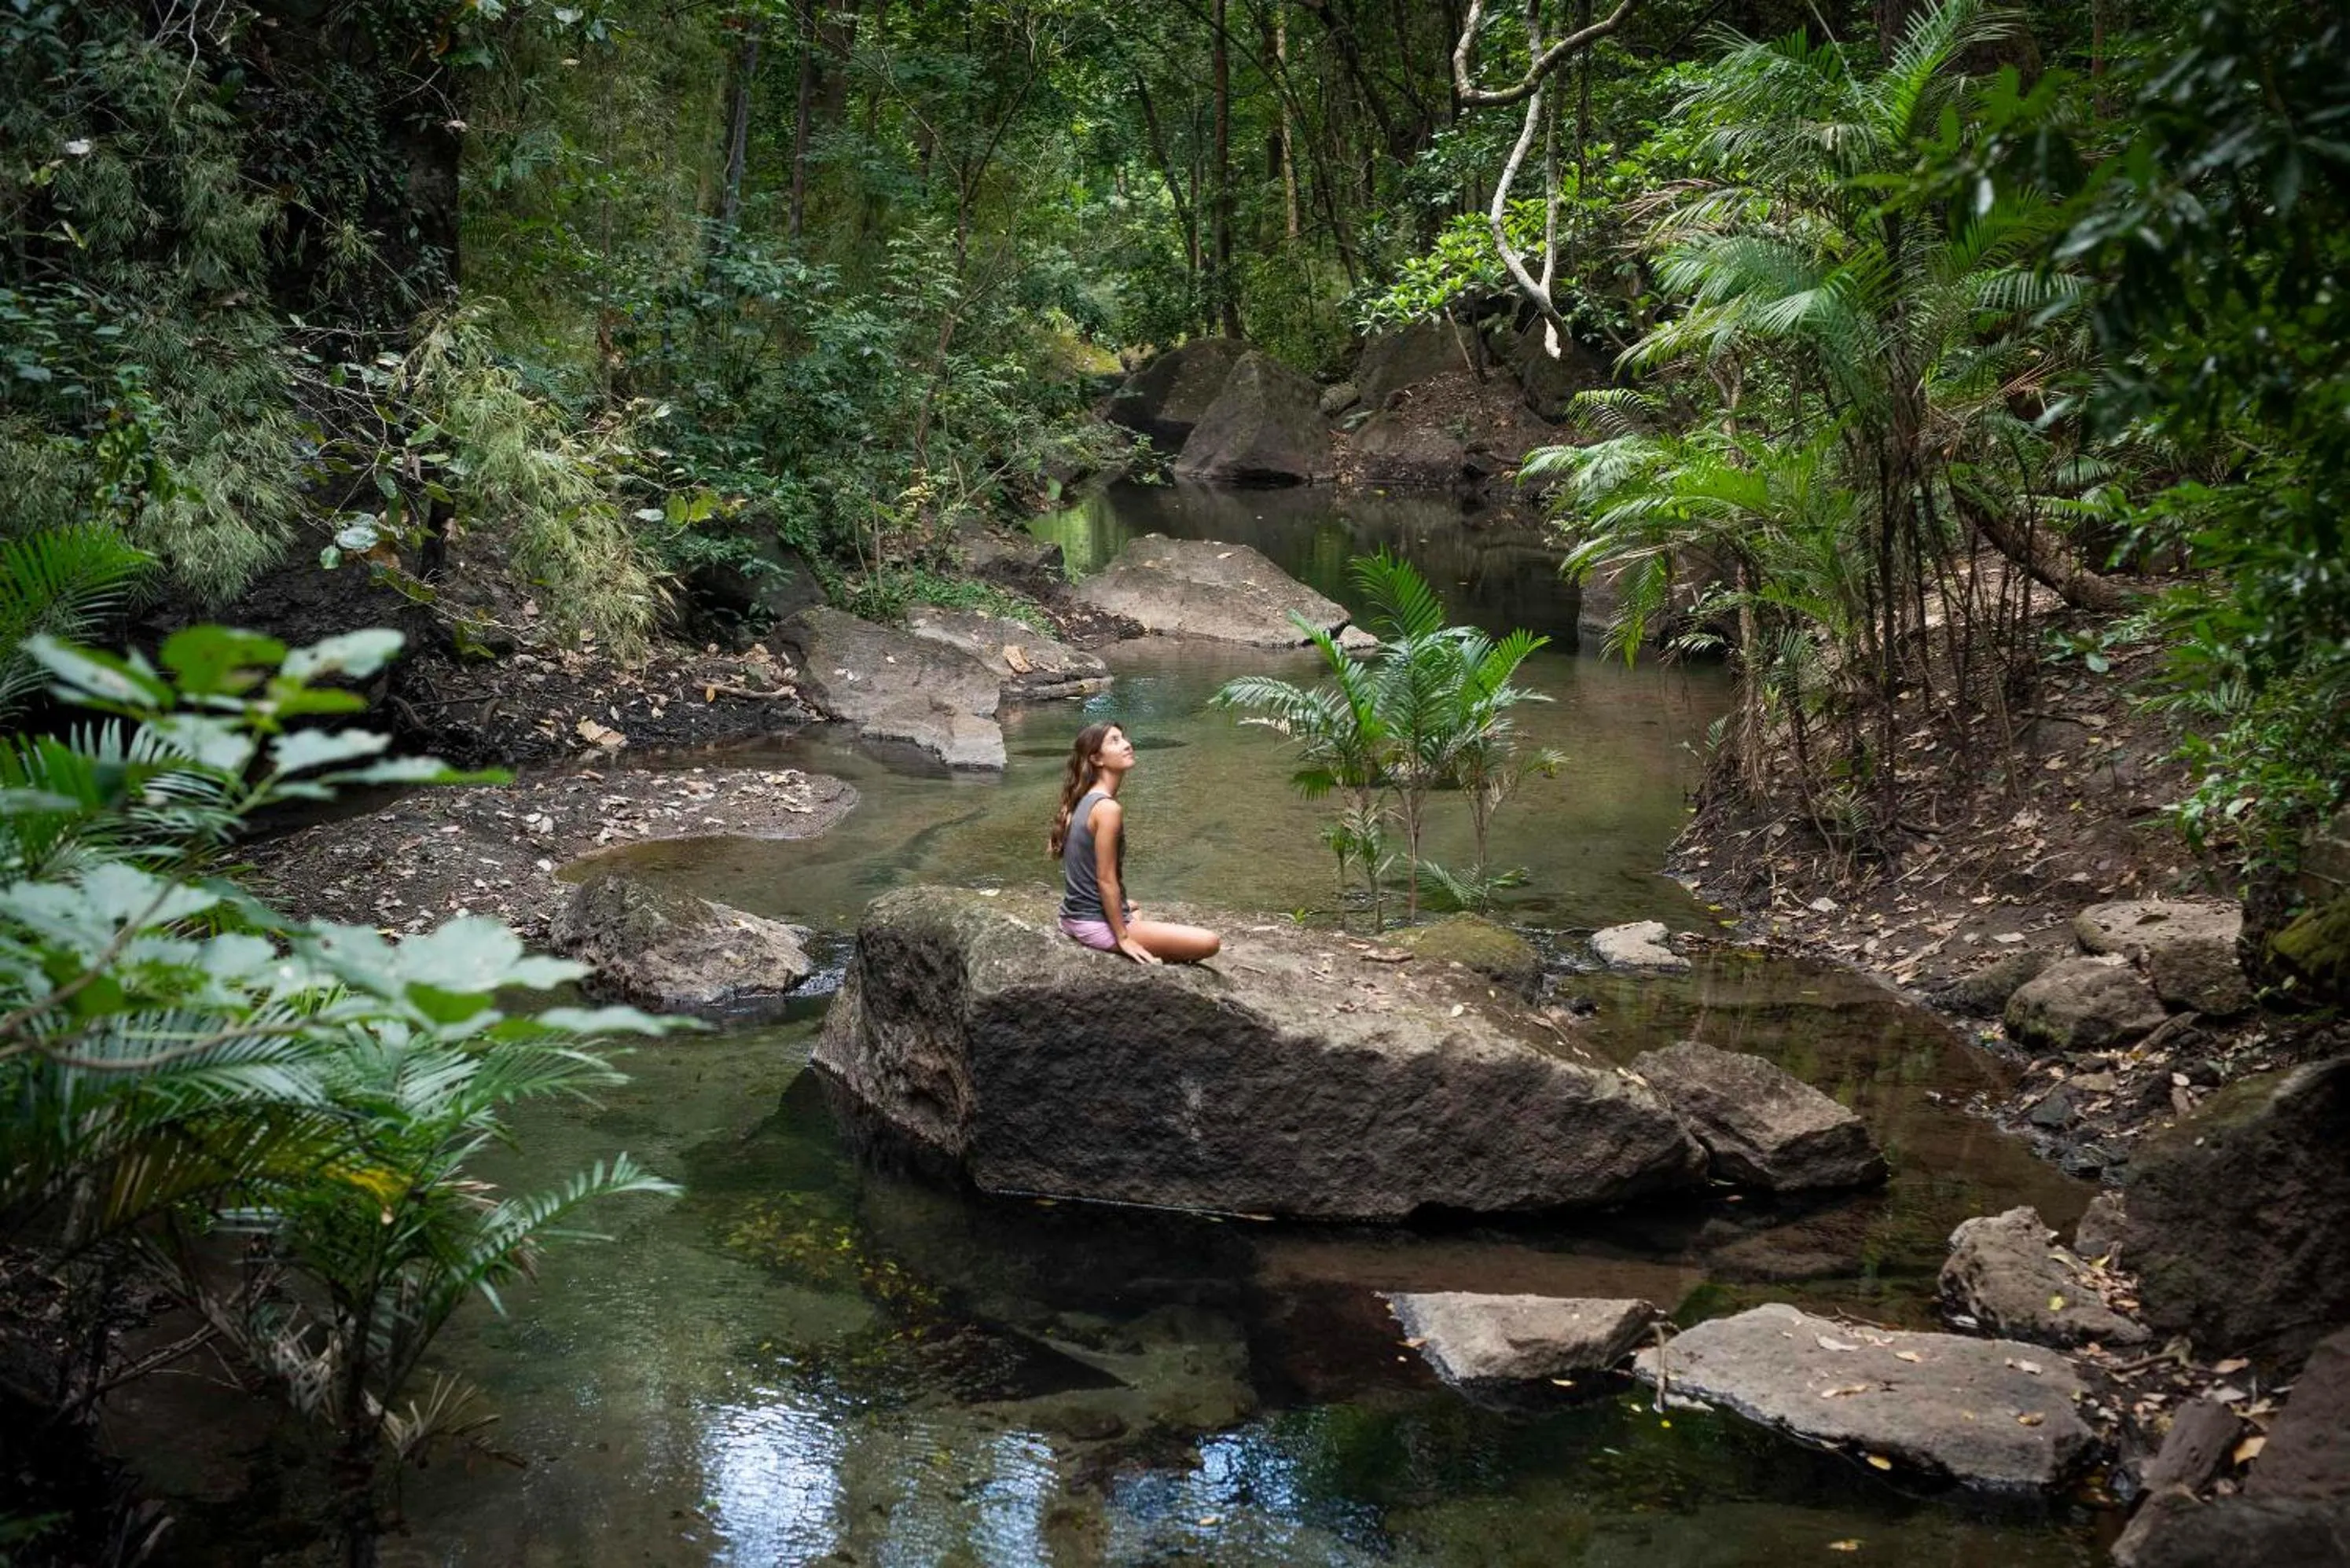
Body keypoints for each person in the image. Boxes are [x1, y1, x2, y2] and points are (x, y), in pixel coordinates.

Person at [1048, 722, 1221, 964]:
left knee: (1134, 906)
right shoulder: (1107, 809)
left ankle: (1117, 925)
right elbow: (1106, 880)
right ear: (1097, 759)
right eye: (1115, 741)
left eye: (1124, 738)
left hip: (1073, 916)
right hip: (1092, 923)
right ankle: (1119, 933)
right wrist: (1124, 937)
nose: (1128, 745)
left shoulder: (1082, 800)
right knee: (1209, 942)